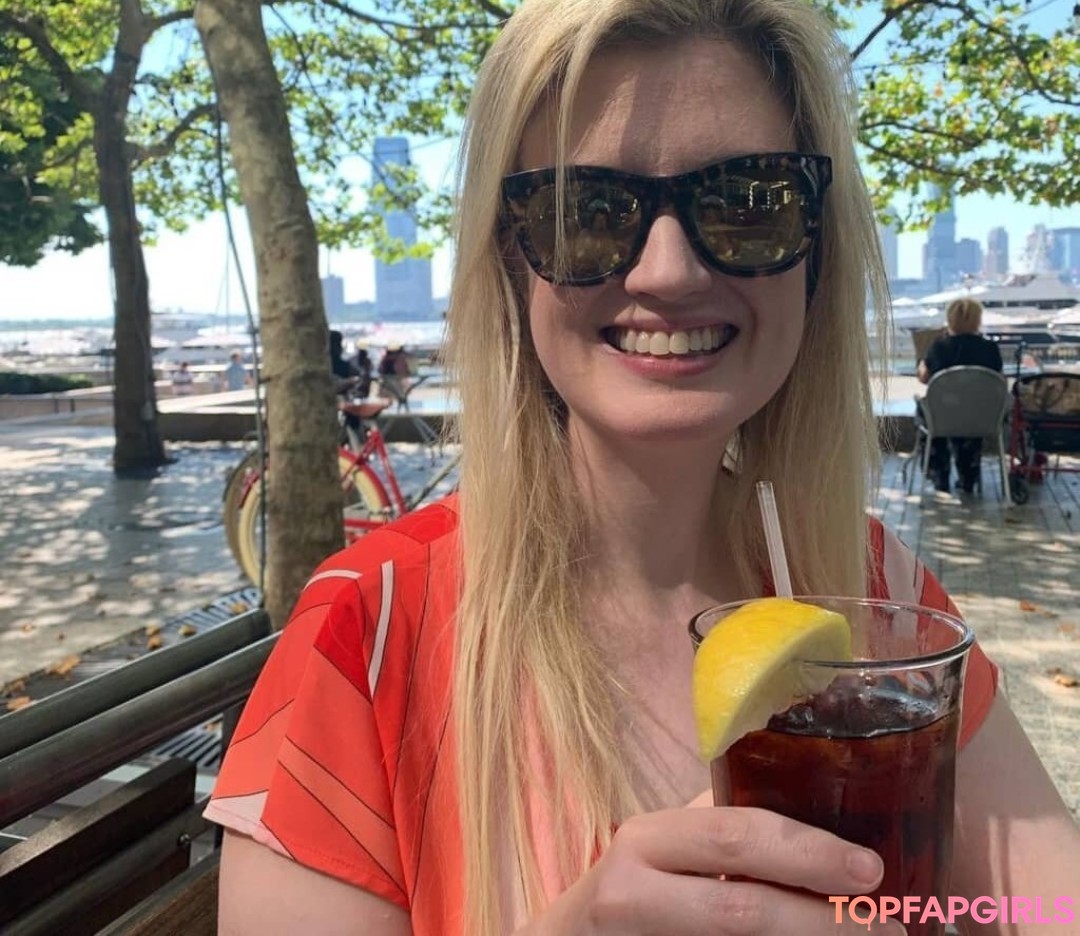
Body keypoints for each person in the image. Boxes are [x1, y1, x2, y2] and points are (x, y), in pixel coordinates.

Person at [208, 1, 1080, 933]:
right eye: (585, 212)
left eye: (748, 201)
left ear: (816, 255)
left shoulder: (879, 597)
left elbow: (1047, 903)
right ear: (510, 264)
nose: (668, 271)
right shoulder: (365, 635)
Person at [916, 298, 1004, 493]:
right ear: (977, 320)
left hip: (942, 416)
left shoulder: (939, 347)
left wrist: (922, 363)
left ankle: (939, 475)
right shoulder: (990, 349)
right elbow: (998, 379)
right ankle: (968, 477)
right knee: (971, 418)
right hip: (980, 418)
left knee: (930, 412)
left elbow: (924, 378)